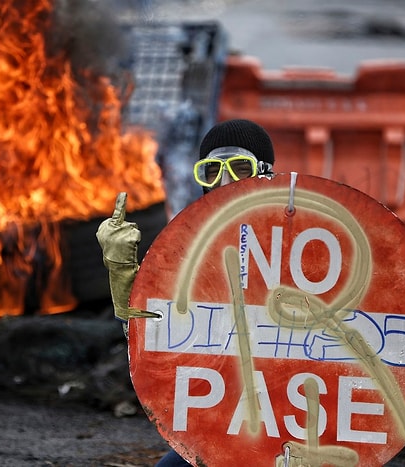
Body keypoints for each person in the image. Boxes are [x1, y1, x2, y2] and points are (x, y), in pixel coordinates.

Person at [96, 119, 276, 466]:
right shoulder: (190, 248)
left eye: (241, 169)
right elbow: (154, 346)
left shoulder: (307, 239)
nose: (225, 183)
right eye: (212, 171)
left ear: (265, 173)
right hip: (224, 420)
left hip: (299, 423)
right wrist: (122, 274)